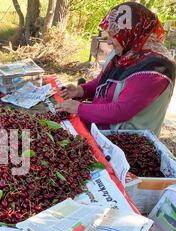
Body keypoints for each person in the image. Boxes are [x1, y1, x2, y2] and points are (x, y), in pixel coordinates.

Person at [57, 2, 175, 135]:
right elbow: (102, 81)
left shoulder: (156, 68)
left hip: (127, 145)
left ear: (131, 32)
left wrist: (79, 108)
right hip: (101, 131)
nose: (108, 42)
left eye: (114, 35)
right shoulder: (126, 51)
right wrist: (80, 91)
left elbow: (120, 111)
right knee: (29, 140)